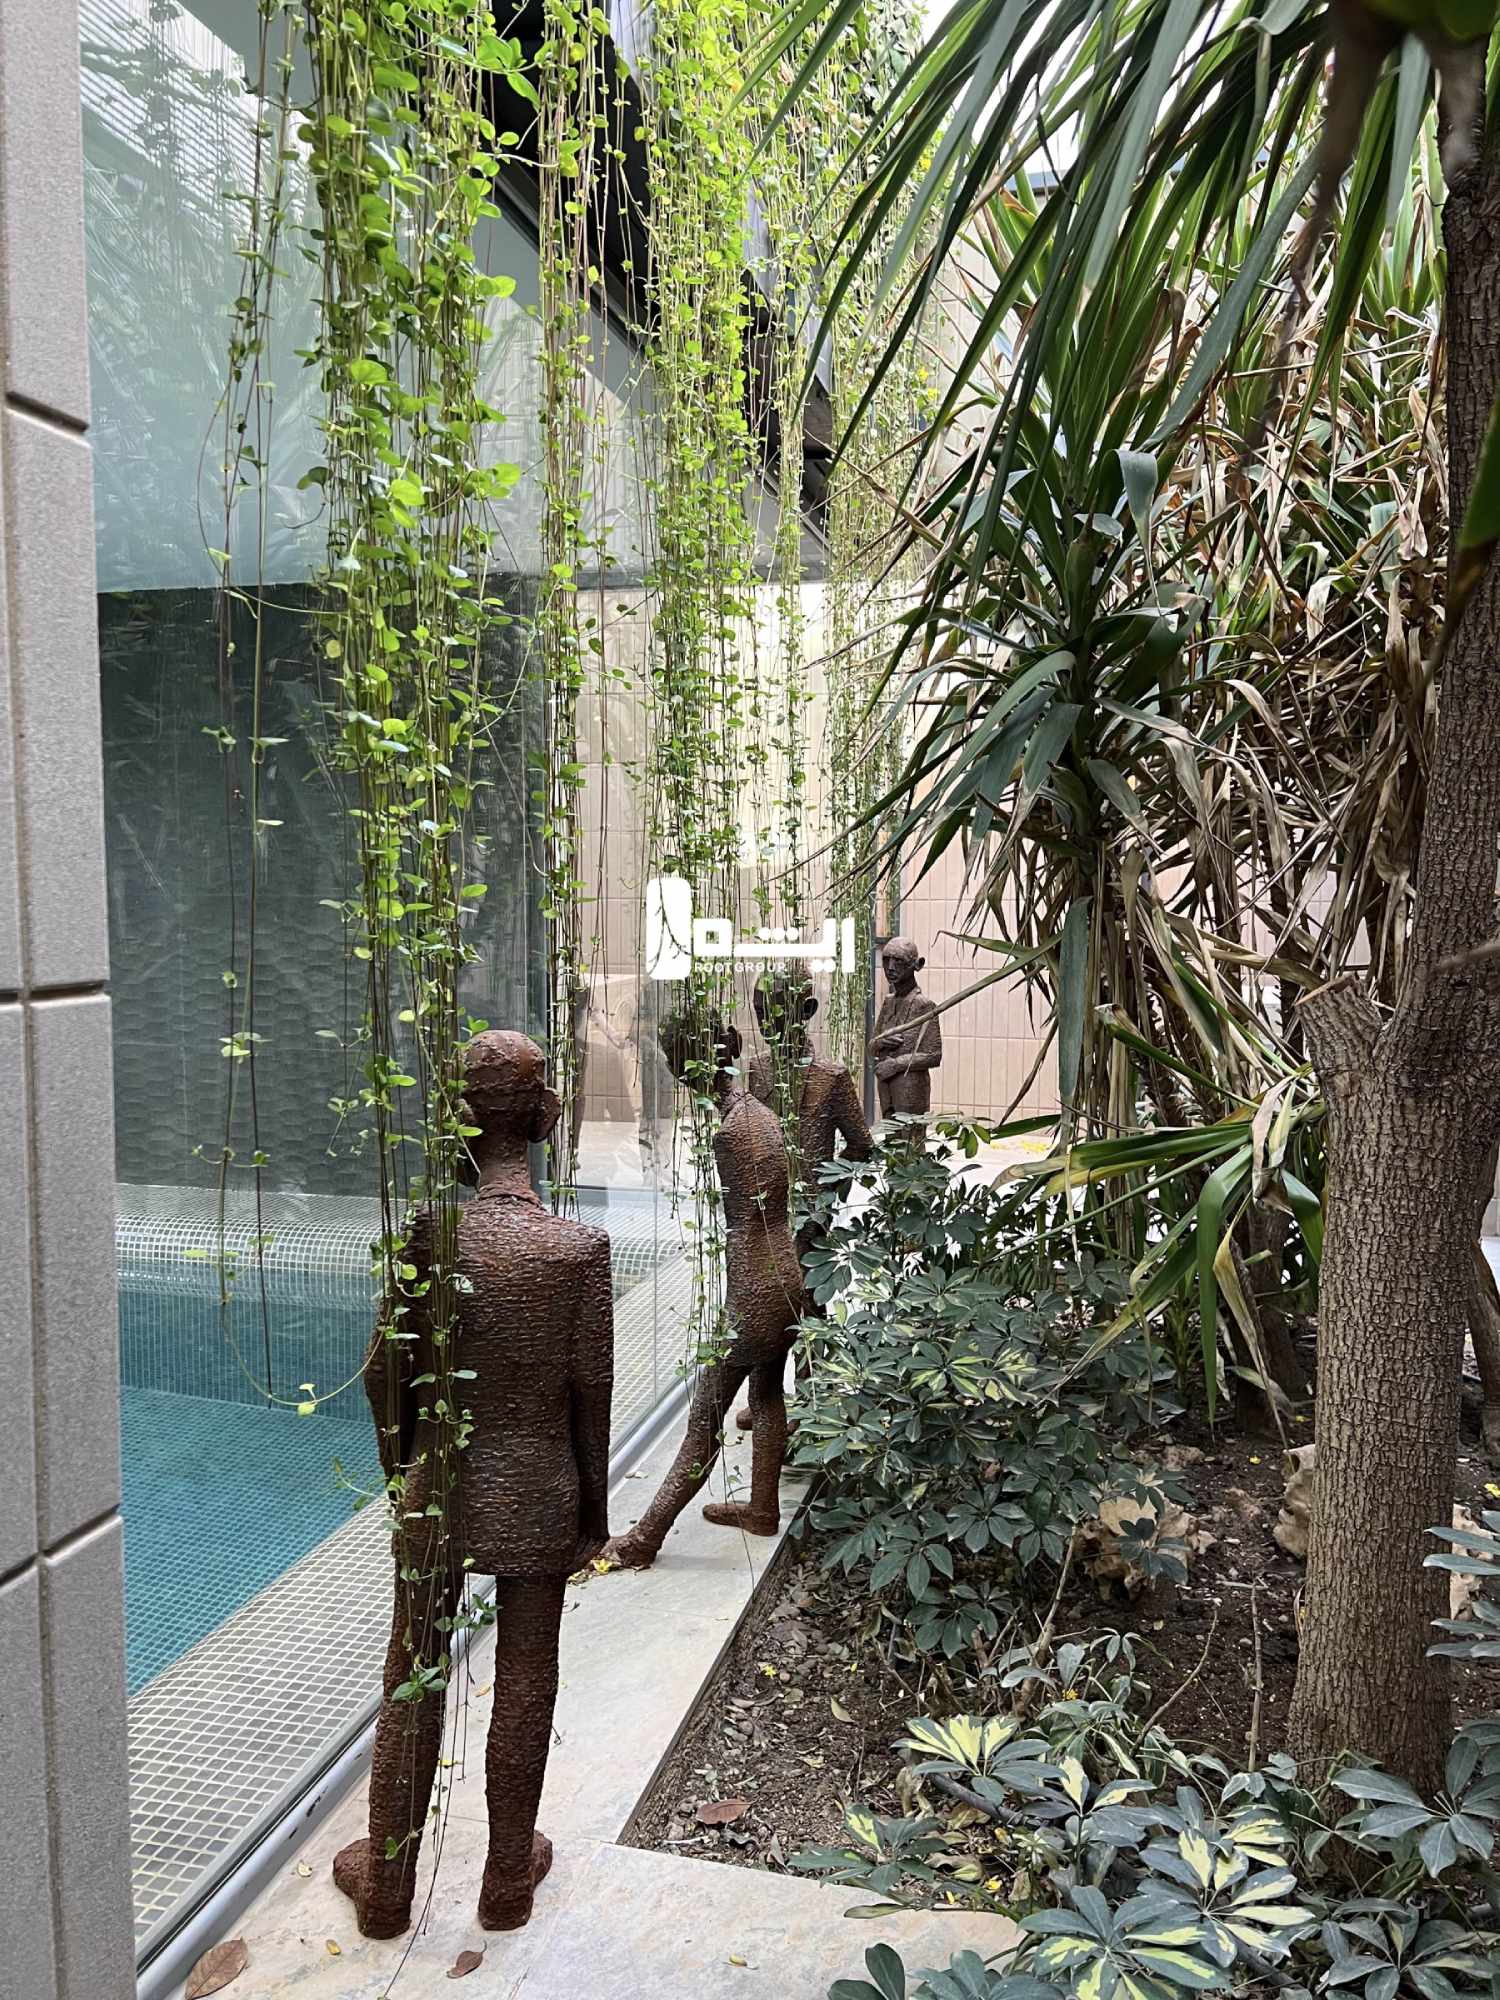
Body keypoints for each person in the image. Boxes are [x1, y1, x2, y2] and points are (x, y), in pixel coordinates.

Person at [332, 1031, 614, 1937]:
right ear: (544, 1117)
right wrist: (594, 1512)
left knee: (413, 1674)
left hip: (441, 1487)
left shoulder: (429, 1235)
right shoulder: (579, 1250)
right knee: (528, 1673)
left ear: (455, 1121)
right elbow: (591, 1396)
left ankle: (387, 1888)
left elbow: (383, 1374)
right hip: (540, 1488)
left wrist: (404, 1472)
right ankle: (506, 1881)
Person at [603, 1012, 804, 1567]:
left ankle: (645, 1539)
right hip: (785, 1275)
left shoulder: (730, 1132)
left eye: (673, 1060)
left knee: (704, 1419)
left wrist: (734, 1309)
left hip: (756, 1286)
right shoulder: (761, 1112)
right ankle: (762, 1508)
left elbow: (743, 1230)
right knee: (767, 1390)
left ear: (683, 1066)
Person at [735, 970, 873, 1429]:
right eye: (760, 1014)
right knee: (764, 1305)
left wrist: (827, 1194)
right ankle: (767, 1401)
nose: (766, 1024)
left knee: (808, 1304)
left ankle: (813, 1402)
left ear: (807, 1012)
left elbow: (861, 1146)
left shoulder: (831, 1078)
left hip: (810, 1215)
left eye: (776, 1013)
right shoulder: (758, 1071)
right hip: (765, 1212)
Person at [870, 936, 943, 1124]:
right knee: (890, 1137)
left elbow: (934, 1055)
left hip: (911, 1087)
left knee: (910, 1137)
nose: (890, 967)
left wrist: (896, 1064)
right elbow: (872, 1046)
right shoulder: (889, 1002)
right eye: (886, 960)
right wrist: (880, 1042)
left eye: (898, 961)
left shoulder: (923, 1005)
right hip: (885, 1085)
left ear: (916, 965)